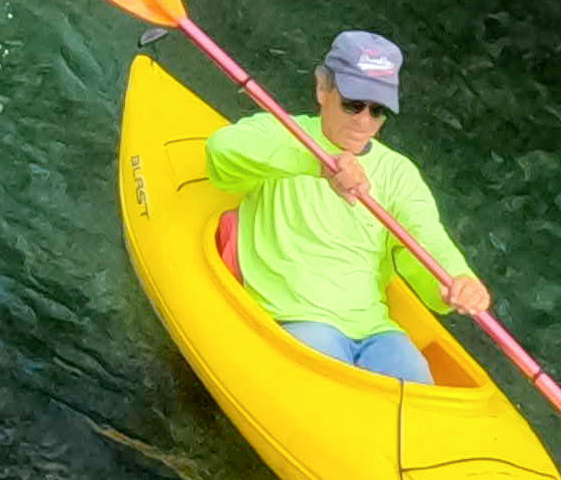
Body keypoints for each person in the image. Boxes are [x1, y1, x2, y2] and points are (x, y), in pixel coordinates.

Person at [209, 28, 492, 383]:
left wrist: (456, 278)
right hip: (298, 315)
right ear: (322, 89)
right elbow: (220, 154)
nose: (364, 120)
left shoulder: (398, 172)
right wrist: (316, 163)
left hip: (373, 328)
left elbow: (424, 235)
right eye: (353, 103)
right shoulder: (280, 132)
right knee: (326, 368)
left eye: (379, 110)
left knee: (416, 375)